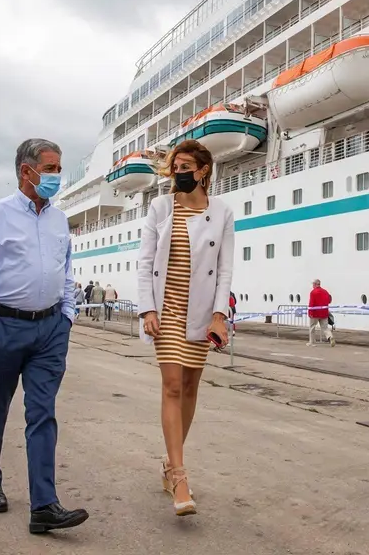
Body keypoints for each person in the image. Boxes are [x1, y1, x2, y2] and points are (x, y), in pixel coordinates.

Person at [0, 138, 89, 535]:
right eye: (50, 169)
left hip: (50, 330)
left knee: (42, 413)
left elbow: (66, 271)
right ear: (26, 171)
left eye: (58, 169)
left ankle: (44, 505)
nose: (57, 176)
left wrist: (67, 316)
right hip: (5, 327)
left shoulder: (59, 220)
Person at [137, 139, 233, 517]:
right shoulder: (161, 207)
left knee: (191, 387)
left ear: (203, 171)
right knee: (173, 385)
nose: (178, 173)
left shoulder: (222, 212)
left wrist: (219, 315)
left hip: (200, 311)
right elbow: (145, 262)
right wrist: (147, 309)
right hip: (167, 310)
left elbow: (224, 269)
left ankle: (169, 463)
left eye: (186, 167)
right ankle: (179, 476)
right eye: (175, 167)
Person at [307, 279, 334, 347]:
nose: (312, 285)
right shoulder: (325, 291)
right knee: (325, 327)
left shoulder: (313, 292)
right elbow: (329, 300)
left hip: (315, 313)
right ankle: (330, 337)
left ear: (315, 284)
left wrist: (310, 313)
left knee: (312, 327)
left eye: (313, 284)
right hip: (324, 312)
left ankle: (312, 342)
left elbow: (311, 303)